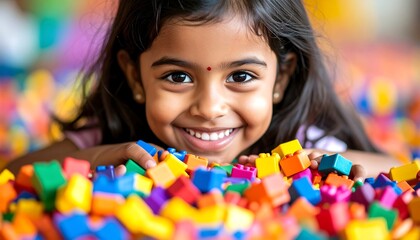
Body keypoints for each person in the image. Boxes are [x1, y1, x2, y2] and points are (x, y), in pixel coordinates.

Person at [5, 0, 399, 178]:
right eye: (178, 77)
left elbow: (399, 170)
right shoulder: (119, 138)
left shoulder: (293, 142)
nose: (210, 107)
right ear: (135, 78)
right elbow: (12, 171)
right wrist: (97, 157)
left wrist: (338, 165)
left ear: (280, 79)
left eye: (241, 77)